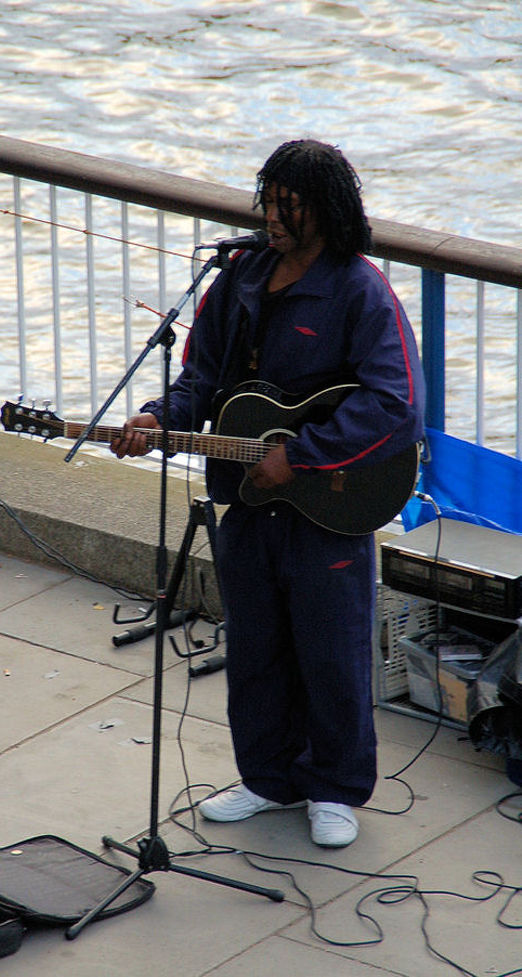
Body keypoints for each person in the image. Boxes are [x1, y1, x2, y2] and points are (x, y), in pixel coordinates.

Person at [111, 139, 425, 847]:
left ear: (325, 209)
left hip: (330, 501)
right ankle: (267, 777)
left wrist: (303, 455)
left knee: (330, 647)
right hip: (249, 497)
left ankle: (335, 786)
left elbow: (395, 404)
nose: (273, 216)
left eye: (289, 204)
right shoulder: (241, 278)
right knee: (255, 642)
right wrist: (159, 419)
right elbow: (200, 378)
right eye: (269, 201)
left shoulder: (359, 290)